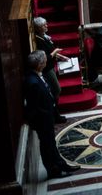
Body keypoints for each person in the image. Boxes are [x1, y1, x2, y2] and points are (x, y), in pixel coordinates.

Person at [24, 51, 81, 179]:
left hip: (47, 117)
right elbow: (35, 106)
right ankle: (54, 170)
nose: (46, 62)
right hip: (42, 120)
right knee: (47, 146)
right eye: (44, 60)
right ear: (39, 64)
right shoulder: (32, 82)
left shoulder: (37, 75)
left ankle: (61, 164)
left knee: (51, 144)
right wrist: (47, 116)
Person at [33, 17, 68, 123]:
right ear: (38, 28)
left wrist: (60, 56)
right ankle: (54, 113)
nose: (46, 26)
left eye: (46, 24)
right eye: (44, 25)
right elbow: (46, 57)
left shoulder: (43, 37)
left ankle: (55, 112)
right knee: (56, 90)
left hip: (51, 66)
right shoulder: (38, 40)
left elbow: (51, 51)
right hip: (46, 69)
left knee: (55, 90)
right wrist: (55, 52)